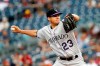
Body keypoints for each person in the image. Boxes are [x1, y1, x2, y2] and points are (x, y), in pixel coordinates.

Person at [11, 8, 86, 66]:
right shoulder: (45, 30)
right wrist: (20, 31)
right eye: (54, 16)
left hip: (76, 60)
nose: (57, 17)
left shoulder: (64, 24)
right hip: (61, 62)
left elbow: (77, 18)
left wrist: (73, 16)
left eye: (58, 15)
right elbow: (35, 33)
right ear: (48, 18)